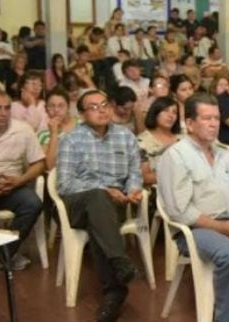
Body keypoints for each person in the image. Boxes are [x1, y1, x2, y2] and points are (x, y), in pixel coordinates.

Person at [157, 93, 229, 322]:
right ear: (189, 123)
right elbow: (180, 211)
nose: (214, 124)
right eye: (206, 118)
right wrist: (224, 228)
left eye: (217, 118)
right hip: (196, 230)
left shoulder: (225, 153)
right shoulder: (176, 156)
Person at [57, 90, 143, 322]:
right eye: (93, 107)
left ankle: (115, 291)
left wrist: (134, 189)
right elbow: (64, 184)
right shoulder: (71, 139)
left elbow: (135, 172)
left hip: (116, 204)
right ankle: (119, 261)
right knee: (97, 198)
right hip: (80, 201)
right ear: (83, 114)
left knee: (100, 222)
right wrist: (104, 190)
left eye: (105, 104)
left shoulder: (126, 136)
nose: (102, 109)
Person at [0, 90, 45, 270]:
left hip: (14, 185)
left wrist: (18, 181)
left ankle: (5, 253)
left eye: (7, 108)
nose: (3, 113)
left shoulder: (23, 129)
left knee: (33, 204)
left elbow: (39, 163)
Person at [137, 97, 181, 187]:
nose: (170, 115)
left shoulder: (183, 139)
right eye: (165, 111)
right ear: (155, 113)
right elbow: (145, 176)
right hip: (158, 191)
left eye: (174, 112)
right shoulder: (142, 141)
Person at [38, 88, 78, 170]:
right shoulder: (43, 135)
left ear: (68, 107)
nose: (56, 110)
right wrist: (54, 134)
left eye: (61, 106)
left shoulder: (82, 124)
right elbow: (50, 166)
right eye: (52, 106)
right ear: (46, 109)